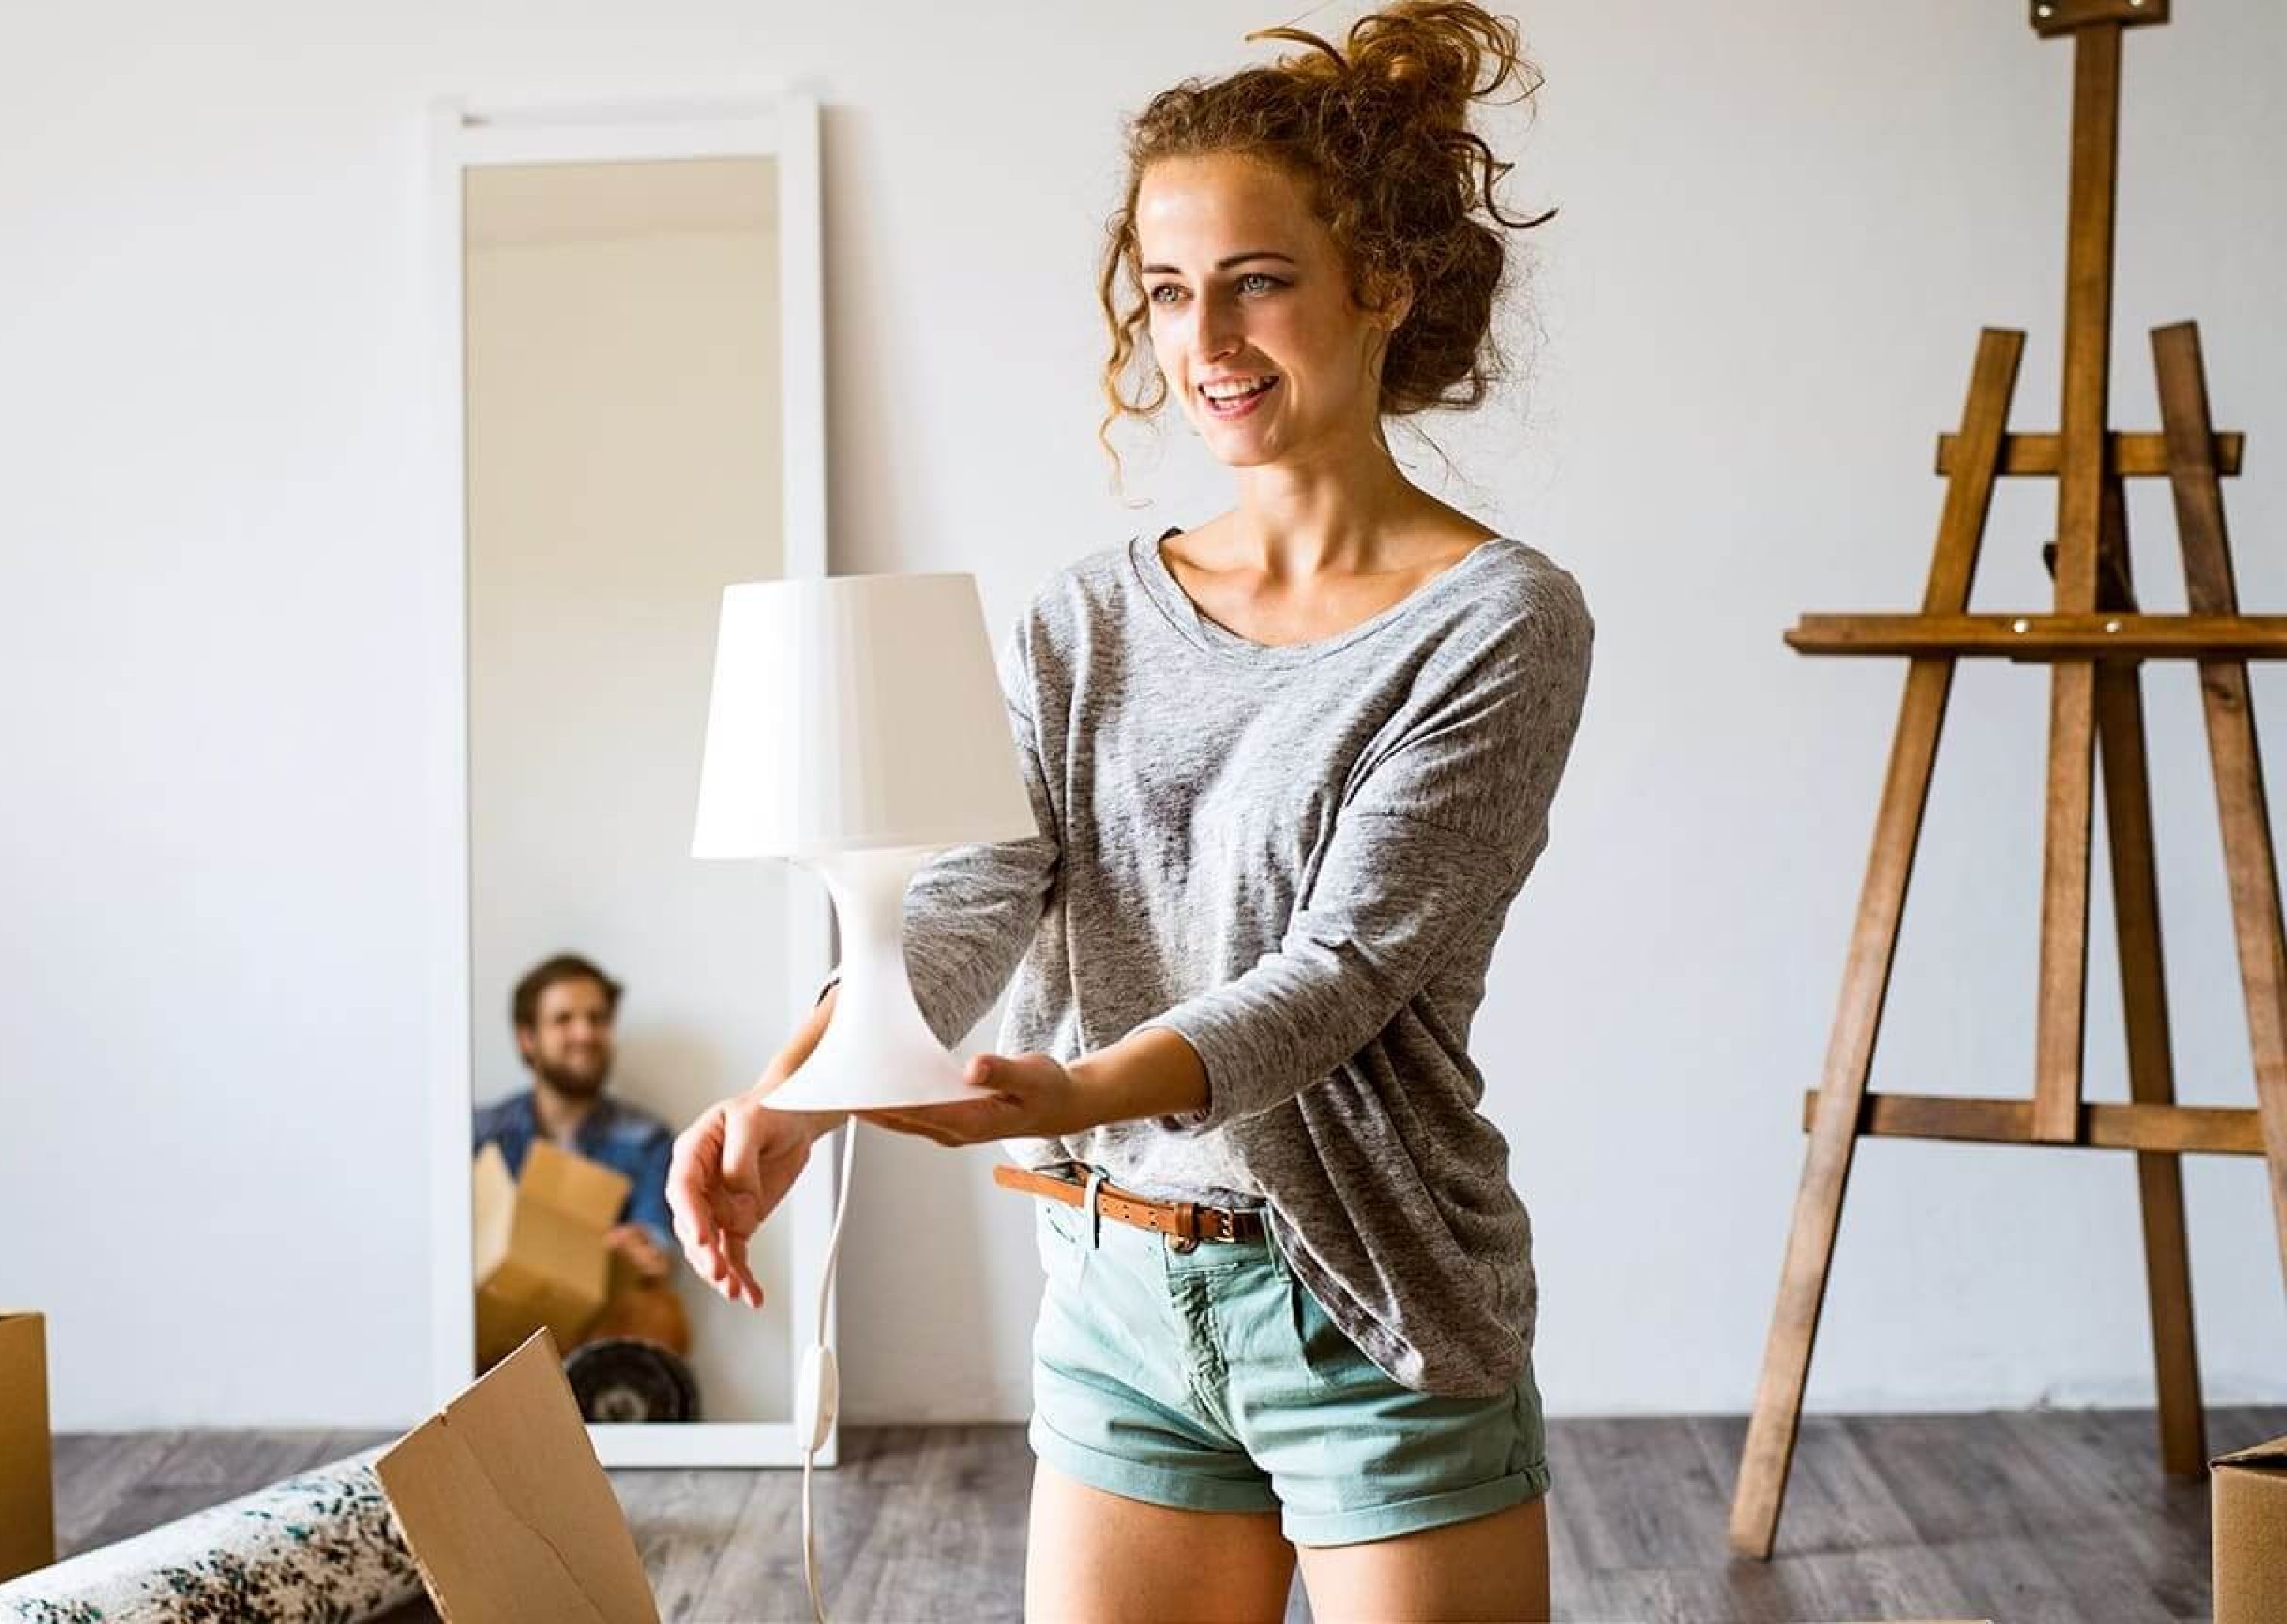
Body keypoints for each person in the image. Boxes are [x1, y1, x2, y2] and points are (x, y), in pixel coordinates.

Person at [666, 7, 1590, 1620]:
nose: (1204, 339)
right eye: (1170, 291)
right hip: (1117, 1291)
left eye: (1256, 279)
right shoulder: (1089, 616)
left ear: (1382, 282)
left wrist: (1079, 1083)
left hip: (1367, 1306)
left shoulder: (1498, 621)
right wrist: (795, 1103)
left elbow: (1346, 970)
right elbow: (973, 898)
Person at [474, 953, 681, 1287]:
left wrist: (642, 1251)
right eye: (563, 1019)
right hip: (504, 1311)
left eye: (596, 1019)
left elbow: (657, 1244)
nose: (584, 1033)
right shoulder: (480, 1135)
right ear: (528, 1038)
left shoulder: (646, 1140)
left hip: (603, 1314)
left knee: (658, 1311)